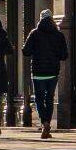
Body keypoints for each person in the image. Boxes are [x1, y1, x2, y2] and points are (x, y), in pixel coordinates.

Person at [22, 9, 68, 139]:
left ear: (40, 19)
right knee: (50, 98)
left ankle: (44, 123)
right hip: (53, 72)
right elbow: (64, 55)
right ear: (52, 19)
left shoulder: (34, 33)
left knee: (39, 98)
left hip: (38, 72)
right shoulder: (59, 35)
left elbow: (26, 51)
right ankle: (47, 123)